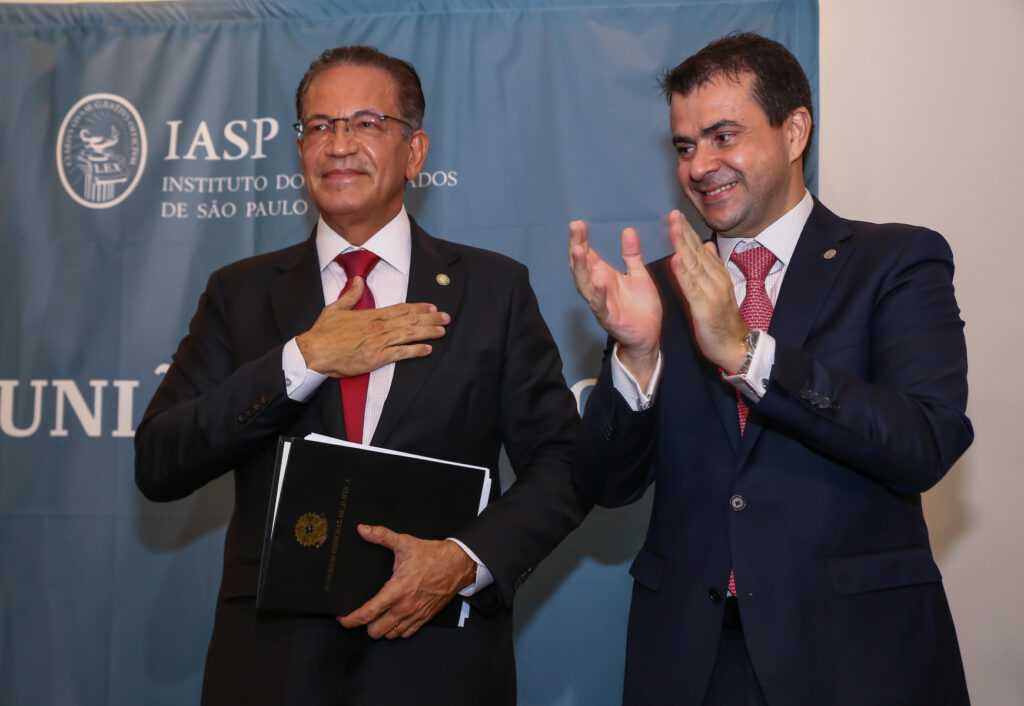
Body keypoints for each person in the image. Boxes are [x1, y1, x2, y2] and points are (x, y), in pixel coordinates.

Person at [135, 45, 587, 706]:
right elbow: (159, 461)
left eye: (367, 123)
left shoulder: (493, 290)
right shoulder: (240, 293)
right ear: (301, 149)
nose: (339, 144)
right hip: (274, 670)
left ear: (415, 152)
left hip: (438, 666)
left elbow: (563, 464)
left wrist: (464, 559)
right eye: (320, 126)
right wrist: (304, 360)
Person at [568, 32, 972, 706]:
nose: (701, 166)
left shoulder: (895, 262)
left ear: (794, 132)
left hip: (856, 657)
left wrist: (750, 356)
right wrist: (636, 357)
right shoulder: (657, 289)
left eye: (723, 136)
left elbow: (924, 442)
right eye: (685, 147)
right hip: (694, 662)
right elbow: (607, 486)